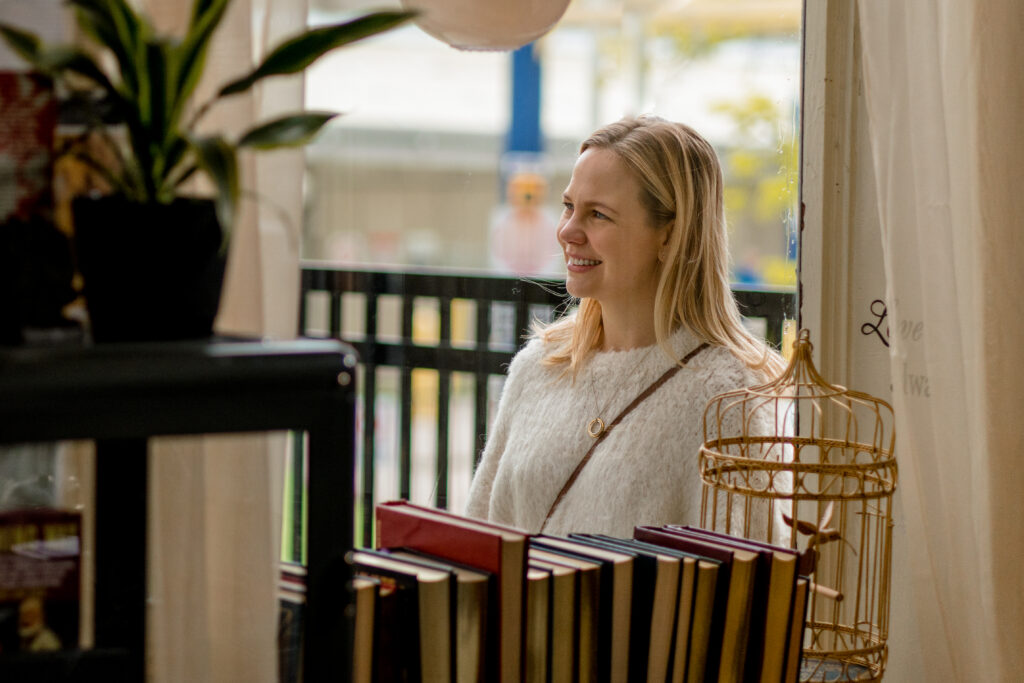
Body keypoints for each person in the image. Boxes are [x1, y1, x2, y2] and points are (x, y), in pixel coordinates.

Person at [466, 115, 786, 538]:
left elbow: (741, 588)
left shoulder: (730, 400)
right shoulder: (537, 368)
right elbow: (477, 539)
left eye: (598, 214)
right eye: (568, 207)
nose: (567, 231)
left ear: (670, 234)